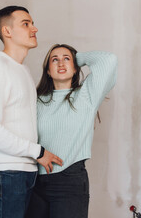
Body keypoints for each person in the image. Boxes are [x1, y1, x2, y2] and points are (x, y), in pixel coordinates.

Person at [0, 6, 63, 218]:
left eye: (32, 23)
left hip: (25, 170)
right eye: (26, 24)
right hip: (6, 172)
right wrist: (39, 152)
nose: (34, 28)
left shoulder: (23, 70)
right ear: (7, 31)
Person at [25, 44, 117, 218]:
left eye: (66, 59)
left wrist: (77, 58)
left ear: (75, 68)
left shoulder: (86, 94)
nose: (61, 64)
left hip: (69, 182)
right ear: (48, 71)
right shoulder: (36, 101)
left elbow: (109, 60)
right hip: (34, 181)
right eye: (55, 60)